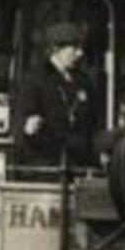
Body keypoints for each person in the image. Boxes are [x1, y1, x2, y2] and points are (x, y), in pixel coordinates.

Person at [15, 22, 98, 168]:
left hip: (79, 163)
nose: (80, 53)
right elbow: (24, 118)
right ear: (56, 49)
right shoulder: (36, 79)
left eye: (81, 48)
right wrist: (28, 124)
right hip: (46, 163)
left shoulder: (84, 82)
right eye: (75, 48)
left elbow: (93, 121)